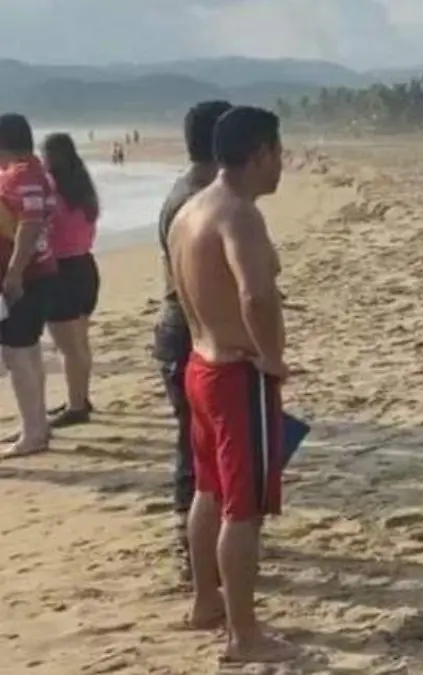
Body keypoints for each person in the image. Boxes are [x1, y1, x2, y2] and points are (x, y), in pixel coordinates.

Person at [169, 106, 297, 663]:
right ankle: (244, 636)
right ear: (259, 153)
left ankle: (206, 602)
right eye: (278, 152)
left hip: (199, 364)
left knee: (208, 489)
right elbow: (255, 295)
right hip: (234, 371)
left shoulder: (189, 209)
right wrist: (271, 357)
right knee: (241, 508)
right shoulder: (240, 215)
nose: (281, 164)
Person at [154, 100, 234, 582]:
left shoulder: (196, 191)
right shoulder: (197, 199)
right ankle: (193, 551)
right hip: (190, 329)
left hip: (188, 326)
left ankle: (207, 544)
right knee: (197, 446)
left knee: (206, 444)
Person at [0, 114, 58, 458]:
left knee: (18, 355)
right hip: (35, 275)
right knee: (29, 353)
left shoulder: (24, 176)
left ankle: (34, 431)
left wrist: (14, 273)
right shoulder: (28, 171)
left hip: (26, 278)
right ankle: (34, 423)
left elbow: (30, 224)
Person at [42, 133, 101, 427]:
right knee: (80, 341)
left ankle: (77, 406)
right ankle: (80, 397)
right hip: (85, 266)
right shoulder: (84, 188)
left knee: (68, 347)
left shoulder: (50, 190)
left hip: (61, 269)